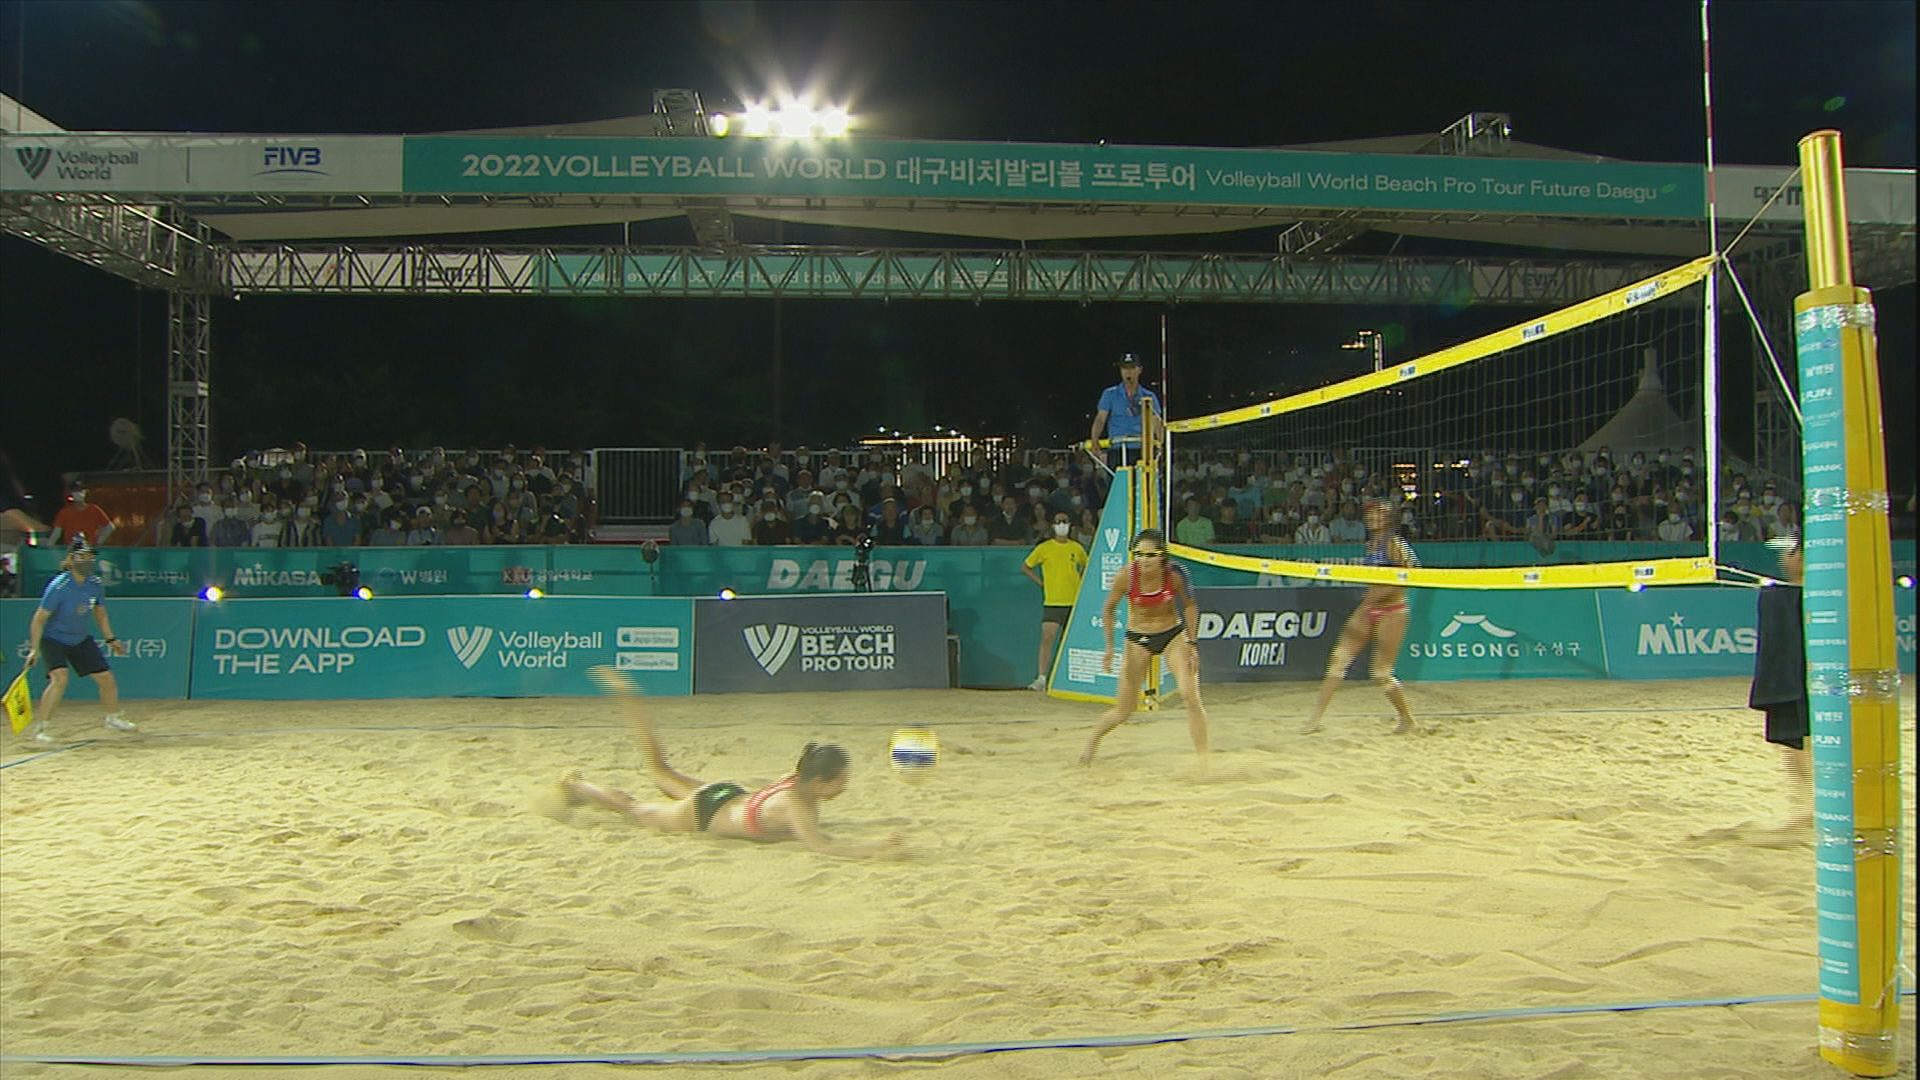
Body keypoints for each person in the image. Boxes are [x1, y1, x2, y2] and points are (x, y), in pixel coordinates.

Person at [555, 667, 909, 859]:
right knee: (632, 809)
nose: (845, 786)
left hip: (725, 794)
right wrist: (875, 848)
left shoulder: (797, 778)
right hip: (704, 812)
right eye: (840, 781)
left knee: (660, 769)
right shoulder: (798, 805)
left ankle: (631, 703)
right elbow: (822, 847)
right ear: (819, 782)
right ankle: (575, 786)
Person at [1080, 529, 1210, 767]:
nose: (1144, 560)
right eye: (1139, 554)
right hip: (1138, 637)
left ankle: (1204, 759)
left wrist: (1192, 643)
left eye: (1150, 555)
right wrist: (1109, 648)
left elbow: (1190, 606)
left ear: (1162, 556)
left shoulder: (1176, 575)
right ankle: (1091, 745)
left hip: (1171, 634)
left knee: (1190, 695)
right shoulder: (1125, 577)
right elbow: (1108, 610)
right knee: (1124, 710)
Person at [1301, 500, 1417, 736]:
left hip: (1392, 611)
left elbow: (1412, 573)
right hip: (1368, 608)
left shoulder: (1394, 543)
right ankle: (1314, 719)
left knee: (1381, 673)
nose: (1373, 517)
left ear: (1389, 518)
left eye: (1379, 513)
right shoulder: (1371, 544)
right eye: (1371, 513)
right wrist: (1371, 599)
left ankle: (1406, 718)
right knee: (1338, 660)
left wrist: (1381, 595)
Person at [19, 537, 137, 744]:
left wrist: (111, 638)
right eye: (82, 556)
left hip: (80, 639)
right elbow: (39, 618)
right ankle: (41, 728)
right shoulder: (59, 587)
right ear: (71, 559)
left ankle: (113, 718)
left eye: (90, 557)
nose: (87, 561)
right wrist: (34, 649)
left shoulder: (95, 584)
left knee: (106, 678)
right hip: (54, 639)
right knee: (60, 679)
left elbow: (100, 613)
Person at [1748, 536, 1811, 830]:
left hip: (1800, 680)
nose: (1783, 557)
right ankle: (1805, 805)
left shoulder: (1795, 598)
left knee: (1801, 744)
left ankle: (1808, 806)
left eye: (1789, 552)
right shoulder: (1786, 596)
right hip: (1796, 679)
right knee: (1796, 745)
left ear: (1801, 557)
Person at [1022, 511, 1089, 691]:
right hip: (1052, 601)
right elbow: (1026, 567)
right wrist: (1041, 583)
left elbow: (1086, 565)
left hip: (1073, 602)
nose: (1062, 524)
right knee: (1047, 638)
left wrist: (1079, 581)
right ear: (1053, 525)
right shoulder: (1044, 548)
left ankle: (1070, 679)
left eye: (1065, 521)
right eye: (1058, 521)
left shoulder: (1077, 548)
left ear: (1070, 525)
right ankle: (1042, 677)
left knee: (1071, 642)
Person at [1089, 353, 1162, 468]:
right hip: (1117, 448)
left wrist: (1161, 445)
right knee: (1119, 478)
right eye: (1124, 368)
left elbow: (1156, 422)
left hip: (1142, 449)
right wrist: (1094, 440)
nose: (1128, 372)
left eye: (1132, 368)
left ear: (1139, 370)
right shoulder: (1110, 394)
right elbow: (1100, 419)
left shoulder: (1149, 396)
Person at [49, 484, 115, 547]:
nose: (78, 493)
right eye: (75, 491)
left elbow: (110, 527)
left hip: (89, 548)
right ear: (71, 493)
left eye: (80, 490)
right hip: (71, 548)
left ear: (85, 492)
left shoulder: (94, 509)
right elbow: (56, 533)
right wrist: (49, 547)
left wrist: (98, 542)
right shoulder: (65, 512)